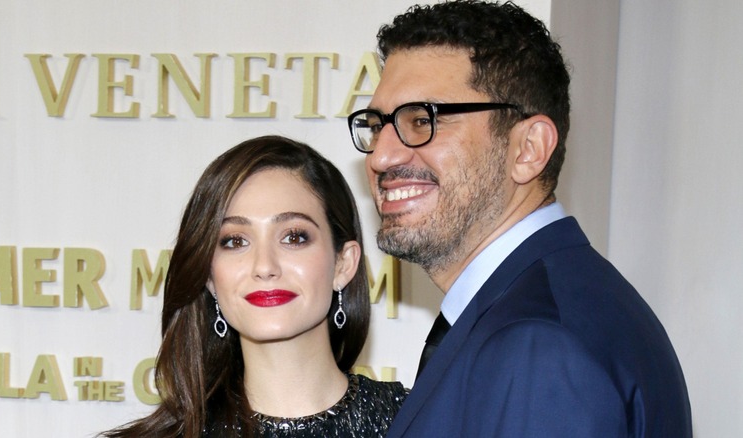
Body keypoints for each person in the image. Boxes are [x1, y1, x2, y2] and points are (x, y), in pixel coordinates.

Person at [347, 1, 692, 436]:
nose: (381, 156)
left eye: (421, 120)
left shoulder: (541, 344)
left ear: (528, 149)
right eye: (377, 125)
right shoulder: (545, 306)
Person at [102, 135, 407, 438]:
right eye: (235, 241)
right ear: (209, 276)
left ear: (343, 263)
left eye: (294, 237)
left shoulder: (419, 420)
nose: (264, 266)